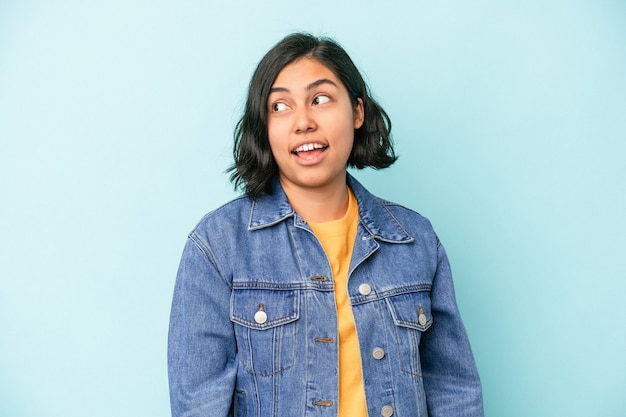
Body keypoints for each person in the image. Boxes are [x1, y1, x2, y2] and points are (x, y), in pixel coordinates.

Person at [168, 32, 484, 417]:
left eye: (320, 99)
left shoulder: (415, 240)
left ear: (357, 112)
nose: (303, 122)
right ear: (264, 127)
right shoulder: (217, 246)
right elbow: (199, 405)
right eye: (280, 106)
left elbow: (453, 390)